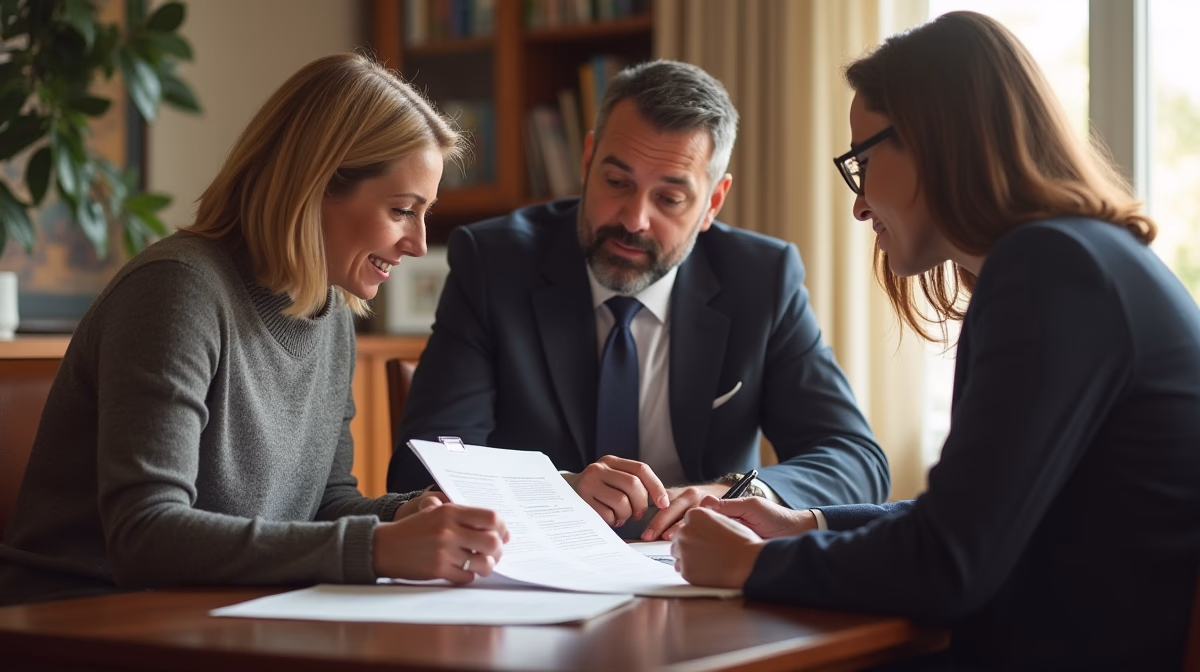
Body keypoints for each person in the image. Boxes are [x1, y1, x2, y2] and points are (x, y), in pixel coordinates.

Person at [671, 11, 1200, 671]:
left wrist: (757, 564)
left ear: (937, 139)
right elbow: (963, 523)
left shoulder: (1053, 272)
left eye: (863, 161)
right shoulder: (1079, 259)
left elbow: (951, 563)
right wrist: (811, 525)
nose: (860, 206)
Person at [0, 53, 509, 606]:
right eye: (402, 210)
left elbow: (325, 502)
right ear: (316, 185)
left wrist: (401, 514)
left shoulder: (330, 314)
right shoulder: (176, 290)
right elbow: (144, 534)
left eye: (425, 212)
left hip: (219, 611)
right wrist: (378, 547)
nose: (417, 242)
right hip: (82, 618)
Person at [388, 60, 890, 542]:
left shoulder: (760, 279)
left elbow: (854, 459)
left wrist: (734, 493)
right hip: (532, 574)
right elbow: (421, 470)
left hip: (700, 578)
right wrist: (558, 488)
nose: (634, 219)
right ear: (587, 162)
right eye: (616, 182)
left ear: (712, 203)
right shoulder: (495, 263)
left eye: (669, 198)